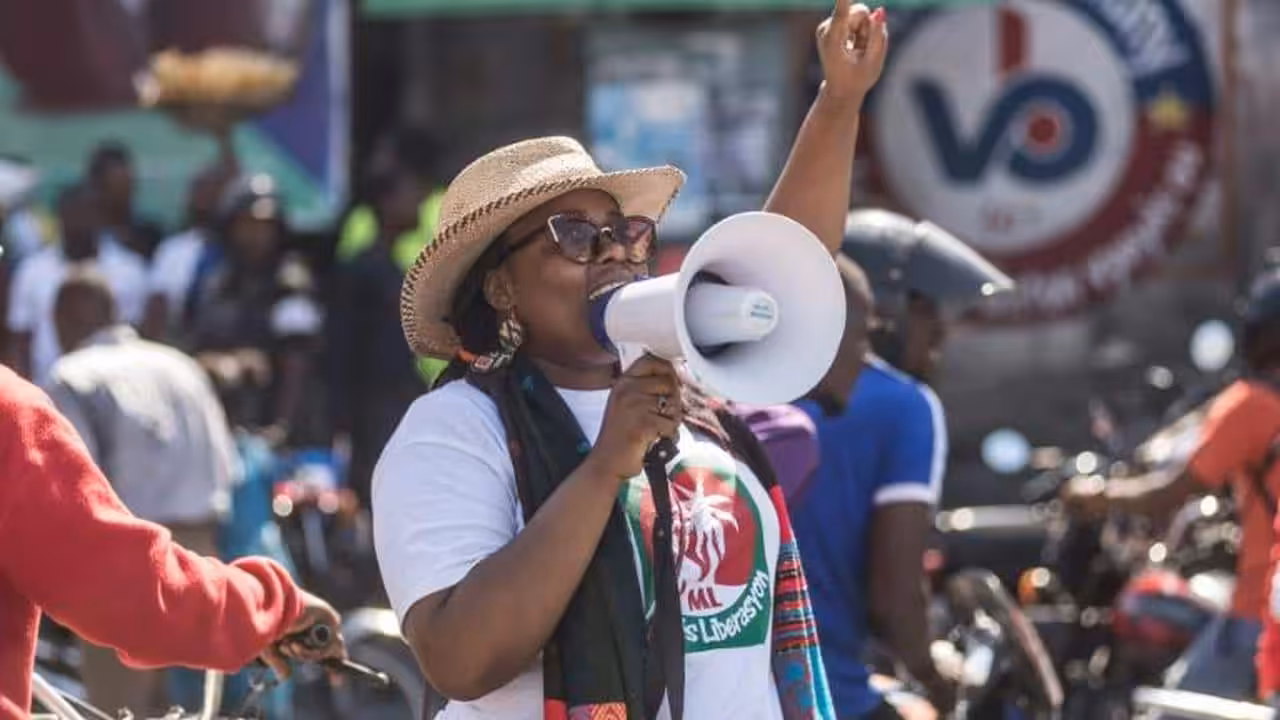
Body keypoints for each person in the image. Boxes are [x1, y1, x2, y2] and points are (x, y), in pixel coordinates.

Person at [371, 3, 887, 718]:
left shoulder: (688, 389)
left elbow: (786, 263)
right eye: (574, 233)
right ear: (500, 285)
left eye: (625, 231)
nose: (615, 249)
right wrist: (604, 469)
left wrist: (839, 98)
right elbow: (461, 657)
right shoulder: (454, 430)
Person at [0, 363, 346, 718]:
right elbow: (124, 588)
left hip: (160, 562)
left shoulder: (54, 384)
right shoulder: (10, 408)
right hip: (168, 564)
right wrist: (269, 603)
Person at [790, 209, 1014, 719]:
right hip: (829, 694)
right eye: (924, 306)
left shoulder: (764, 385)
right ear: (880, 309)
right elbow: (894, 598)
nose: (940, 328)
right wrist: (933, 674)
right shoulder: (905, 406)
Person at [1069, 268, 1280, 704]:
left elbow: (1172, 491)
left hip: (1260, 604)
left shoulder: (1250, 403)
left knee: (1177, 710)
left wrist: (1098, 497)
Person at [42, 267, 241, 714]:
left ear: (64, 318)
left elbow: (72, 485)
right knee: (195, 709)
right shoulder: (181, 365)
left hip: (128, 561)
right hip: (203, 556)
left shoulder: (71, 374)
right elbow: (227, 466)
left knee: (119, 710)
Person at [187, 174, 327, 448]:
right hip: (221, 431)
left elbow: (296, 361)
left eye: (265, 226)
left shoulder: (291, 282)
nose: (256, 235)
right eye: (247, 224)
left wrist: (280, 428)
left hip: (277, 438)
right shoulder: (218, 282)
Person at [329, 164, 429, 509]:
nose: (418, 202)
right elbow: (342, 348)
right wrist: (342, 416)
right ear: (385, 204)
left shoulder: (393, 268)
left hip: (395, 402)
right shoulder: (362, 269)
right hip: (372, 409)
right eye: (409, 194)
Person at [5, 184, 147, 386]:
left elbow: (137, 335)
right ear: (59, 218)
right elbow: (20, 339)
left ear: (101, 216)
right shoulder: (32, 270)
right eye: (71, 213)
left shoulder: (130, 270)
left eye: (87, 213)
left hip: (114, 389)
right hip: (47, 388)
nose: (79, 222)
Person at [142, 163, 236, 341]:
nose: (207, 199)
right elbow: (156, 308)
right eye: (201, 191)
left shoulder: (241, 252)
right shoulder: (172, 249)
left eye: (214, 192)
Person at [87, 140, 164, 260]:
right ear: (97, 187)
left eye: (130, 184)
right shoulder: (86, 238)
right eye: (117, 187)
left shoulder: (151, 235)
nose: (127, 195)